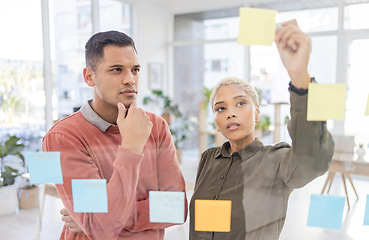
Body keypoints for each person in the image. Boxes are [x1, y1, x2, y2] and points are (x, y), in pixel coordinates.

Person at [189, 20, 334, 240]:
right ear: (216, 120)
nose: (230, 113)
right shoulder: (208, 158)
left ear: (256, 113)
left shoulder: (276, 161)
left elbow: (314, 159)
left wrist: (300, 79)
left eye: (240, 103)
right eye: (221, 108)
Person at [42, 30, 187, 240]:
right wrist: (131, 147)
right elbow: (102, 229)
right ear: (89, 77)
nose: (130, 80)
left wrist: (92, 219)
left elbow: (177, 207)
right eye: (117, 70)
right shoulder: (64, 137)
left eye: (135, 69)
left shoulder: (156, 126)